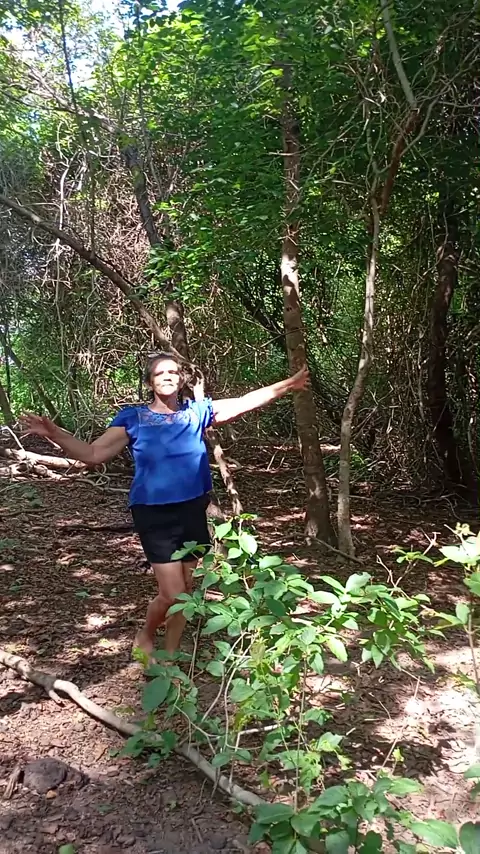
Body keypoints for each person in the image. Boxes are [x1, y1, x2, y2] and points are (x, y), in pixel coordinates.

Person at [23, 353, 309, 660]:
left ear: (182, 378)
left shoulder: (197, 412)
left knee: (185, 590)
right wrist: (55, 433)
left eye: (173, 372)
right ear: (150, 382)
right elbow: (93, 454)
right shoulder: (133, 418)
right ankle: (146, 633)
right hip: (154, 512)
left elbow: (244, 401)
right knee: (175, 593)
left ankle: (170, 658)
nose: (168, 376)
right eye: (160, 373)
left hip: (192, 509)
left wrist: (288, 385)